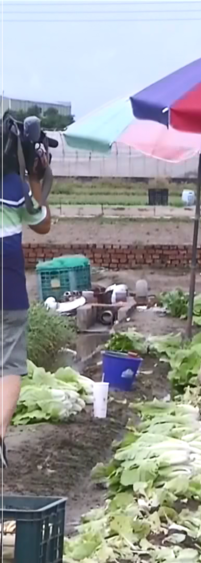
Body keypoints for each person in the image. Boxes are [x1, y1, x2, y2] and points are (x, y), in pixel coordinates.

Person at [1, 145, 53, 468]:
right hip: (8, 289)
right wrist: (35, 177)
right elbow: (44, 223)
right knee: (8, 366)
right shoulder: (14, 187)